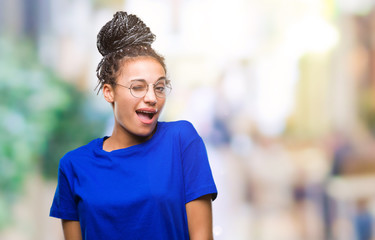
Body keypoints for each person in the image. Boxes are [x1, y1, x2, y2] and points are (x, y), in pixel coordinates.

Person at [49, 11, 217, 240]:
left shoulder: (181, 141)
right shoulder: (74, 165)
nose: (152, 97)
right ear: (109, 92)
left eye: (159, 87)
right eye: (138, 87)